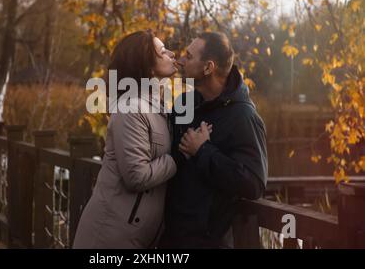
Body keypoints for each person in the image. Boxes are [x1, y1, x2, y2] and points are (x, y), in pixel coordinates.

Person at [160, 31, 268, 249]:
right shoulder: (184, 104)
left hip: (207, 243)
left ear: (208, 68)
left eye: (189, 57)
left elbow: (254, 184)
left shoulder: (243, 116)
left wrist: (203, 151)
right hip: (170, 238)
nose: (180, 60)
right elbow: (167, 153)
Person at [73, 30, 178, 248]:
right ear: (148, 67)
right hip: (110, 236)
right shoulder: (130, 108)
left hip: (134, 235)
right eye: (162, 52)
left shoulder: (158, 107)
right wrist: (179, 157)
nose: (172, 53)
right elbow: (136, 176)